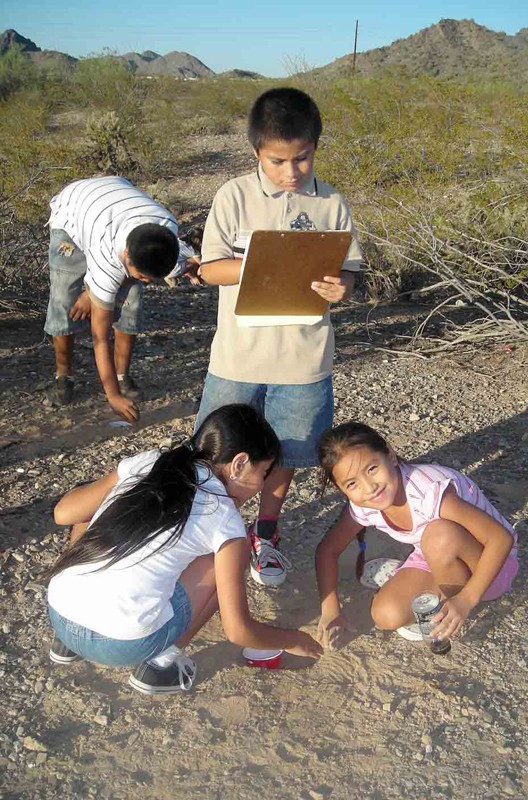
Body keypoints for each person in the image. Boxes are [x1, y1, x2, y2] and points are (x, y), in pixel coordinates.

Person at [195, 87, 363, 587]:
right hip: (237, 358)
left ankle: (264, 533)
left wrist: (342, 288)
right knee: (214, 453)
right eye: (278, 161)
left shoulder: (332, 201)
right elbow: (207, 269)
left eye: (303, 158)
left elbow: (349, 272)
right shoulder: (233, 196)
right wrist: (262, 262)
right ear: (256, 153)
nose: (292, 172)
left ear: (315, 147)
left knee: (288, 454)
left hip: (303, 360)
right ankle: (209, 532)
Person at [46, 404, 323, 696]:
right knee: (221, 562)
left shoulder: (150, 462)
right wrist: (292, 639)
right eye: (263, 472)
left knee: (92, 513)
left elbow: (64, 513)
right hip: (120, 644)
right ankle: (161, 666)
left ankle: (68, 640)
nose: (260, 484)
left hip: (59, 614)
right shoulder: (224, 517)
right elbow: (238, 630)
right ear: (239, 464)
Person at [315, 422, 519, 649]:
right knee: (385, 615)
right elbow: (328, 550)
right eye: (352, 483)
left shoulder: (429, 492)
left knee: (438, 535)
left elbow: (501, 539)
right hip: (433, 552)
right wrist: (330, 609)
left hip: (492, 565)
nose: (369, 487)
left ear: (390, 456)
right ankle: (419, 580)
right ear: (342, 490)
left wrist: (466, 600)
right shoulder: (364, 505)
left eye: (372, 469)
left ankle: (453, 605)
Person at [43, 175, 199, 421]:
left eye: (152, 278)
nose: (146, 281)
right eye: (141, 275)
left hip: (117, 204)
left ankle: (121, 375)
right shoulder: (108, 257)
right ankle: (64, 376)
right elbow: (99, 337)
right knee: (65, 299)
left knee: (131, 302)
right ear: (126, 254)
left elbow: (179, 257)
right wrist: (112, 396)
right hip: (74, 211)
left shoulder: (166, 227)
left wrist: (189, 267)